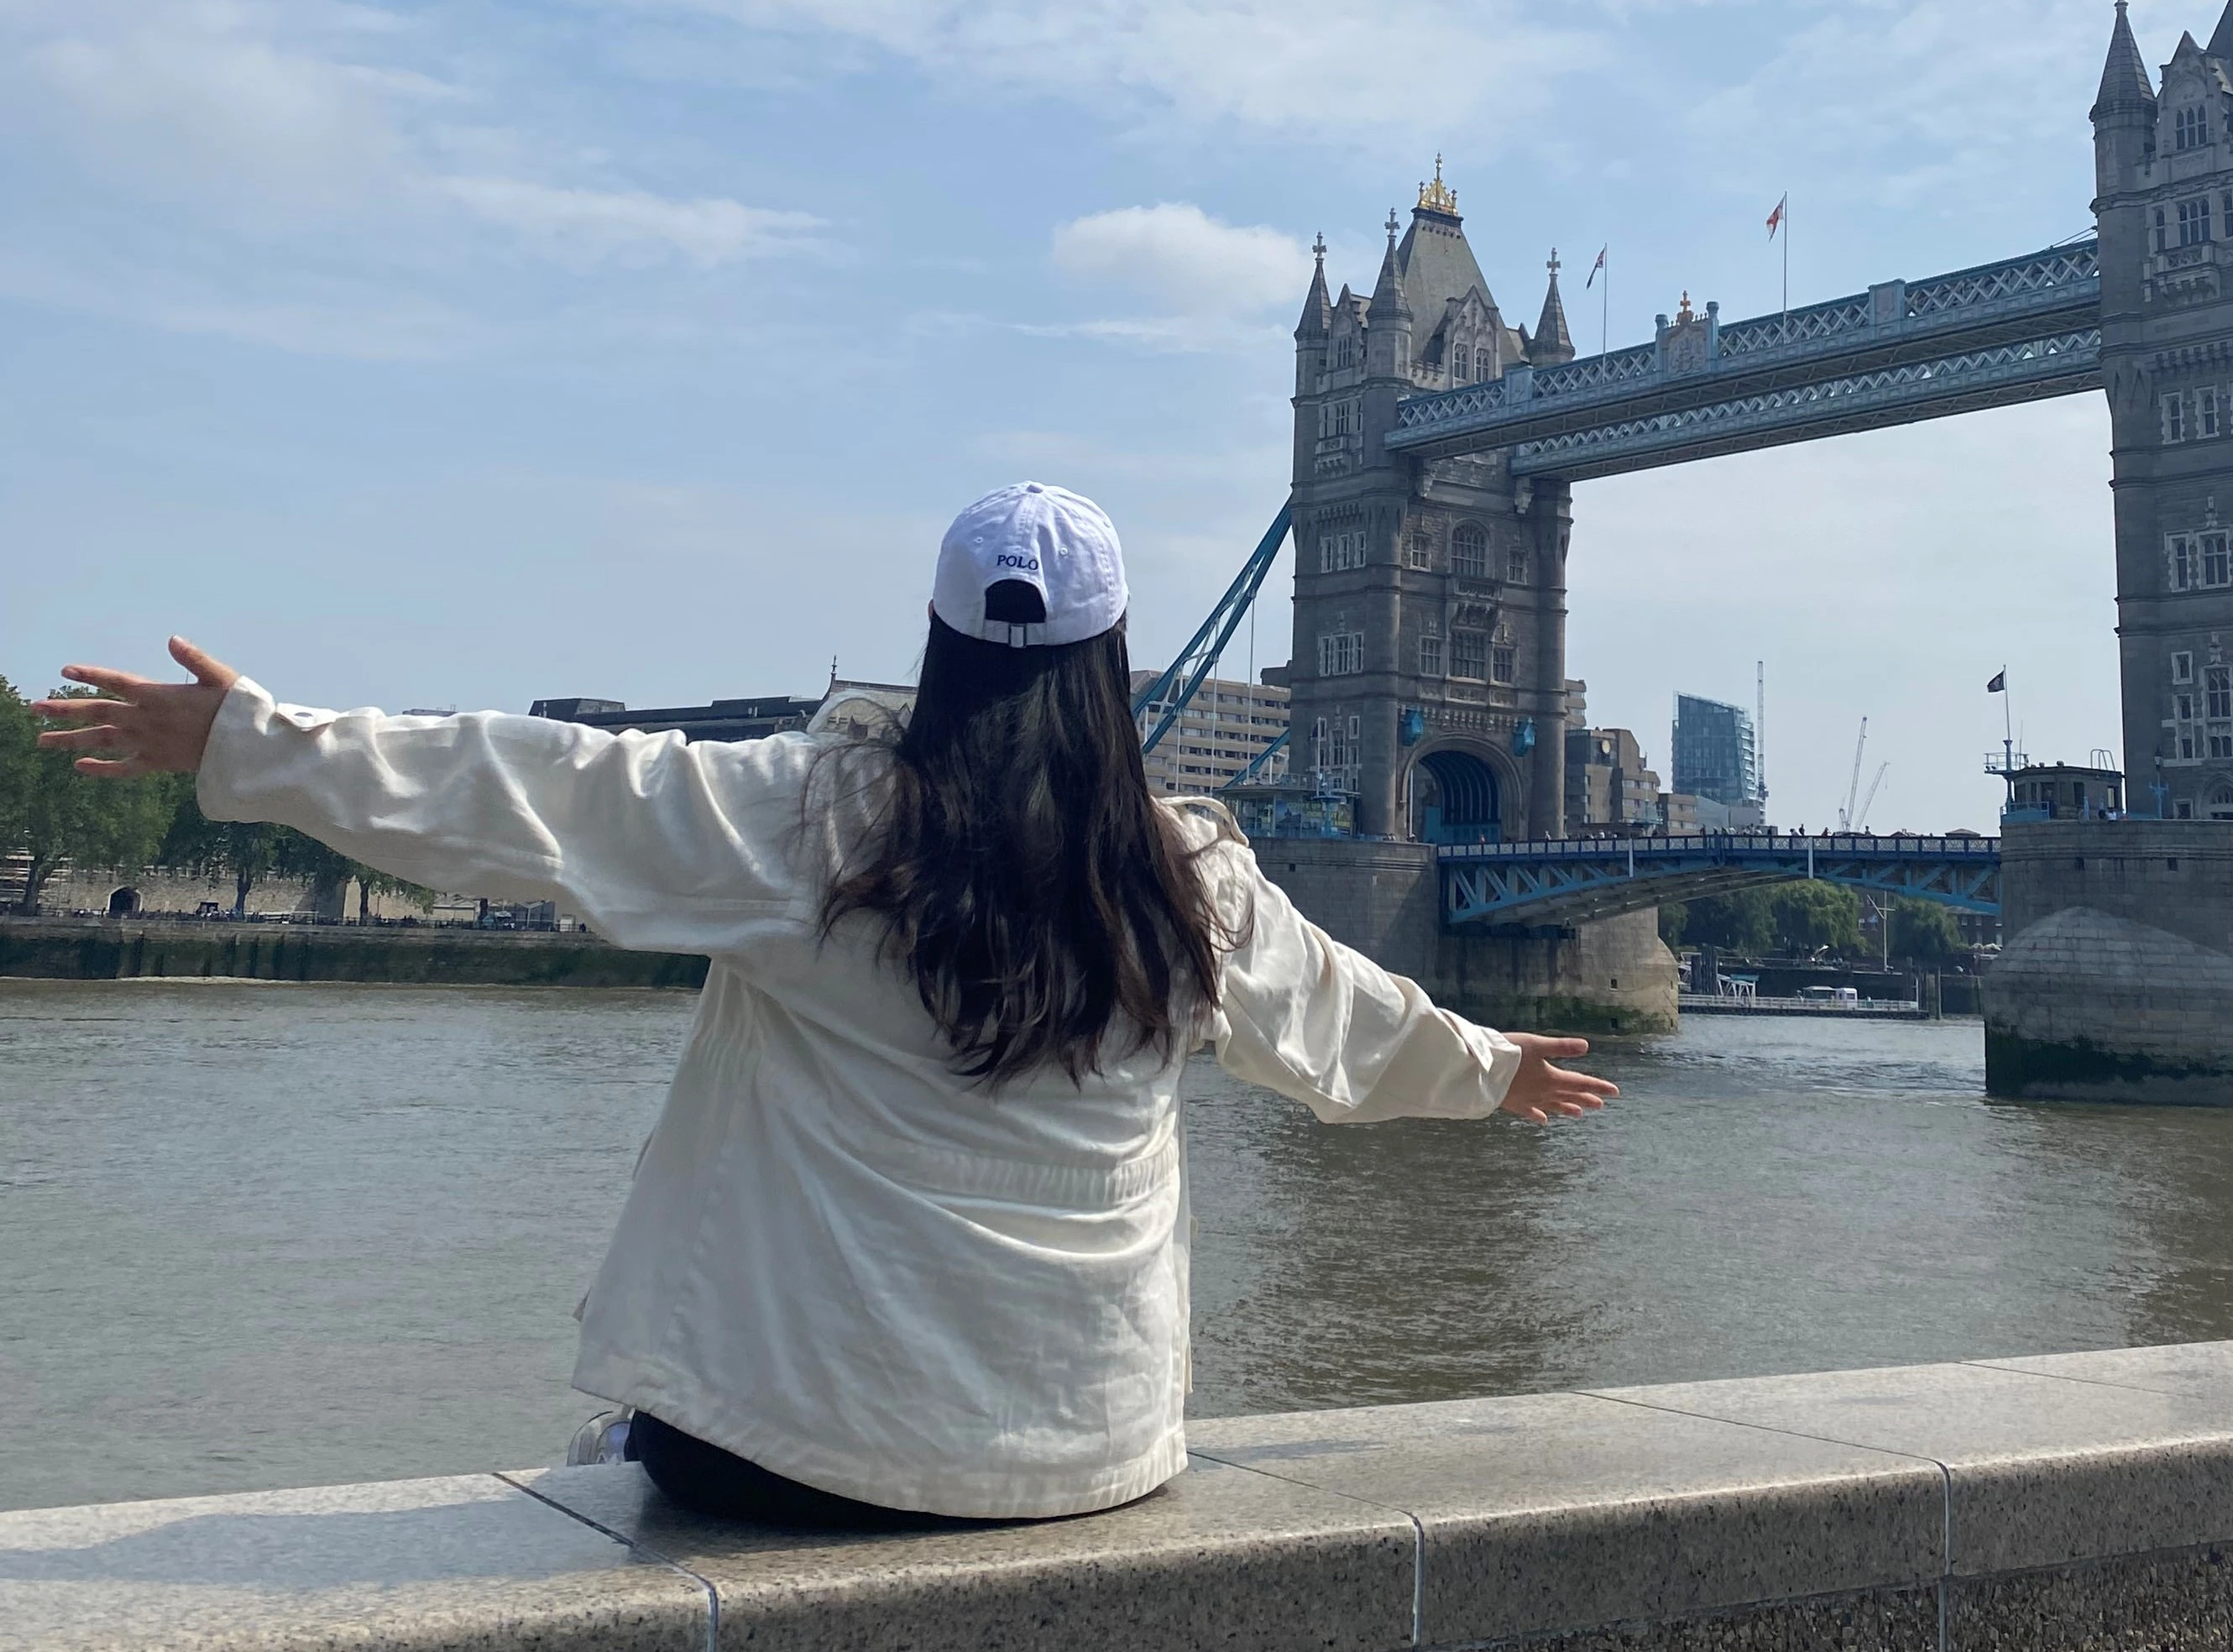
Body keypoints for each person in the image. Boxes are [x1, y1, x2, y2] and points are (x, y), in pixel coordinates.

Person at [35, 482, 1614, 1529]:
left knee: (620, 1462)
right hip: (1091, 1459)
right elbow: (1337, 1019)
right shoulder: (1186, 877)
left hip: (798, 1453)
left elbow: (539, 790)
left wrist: (252, 746)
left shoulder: (819, 822)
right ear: (1117, 662)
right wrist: (1490, 1067)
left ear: (939, 644)